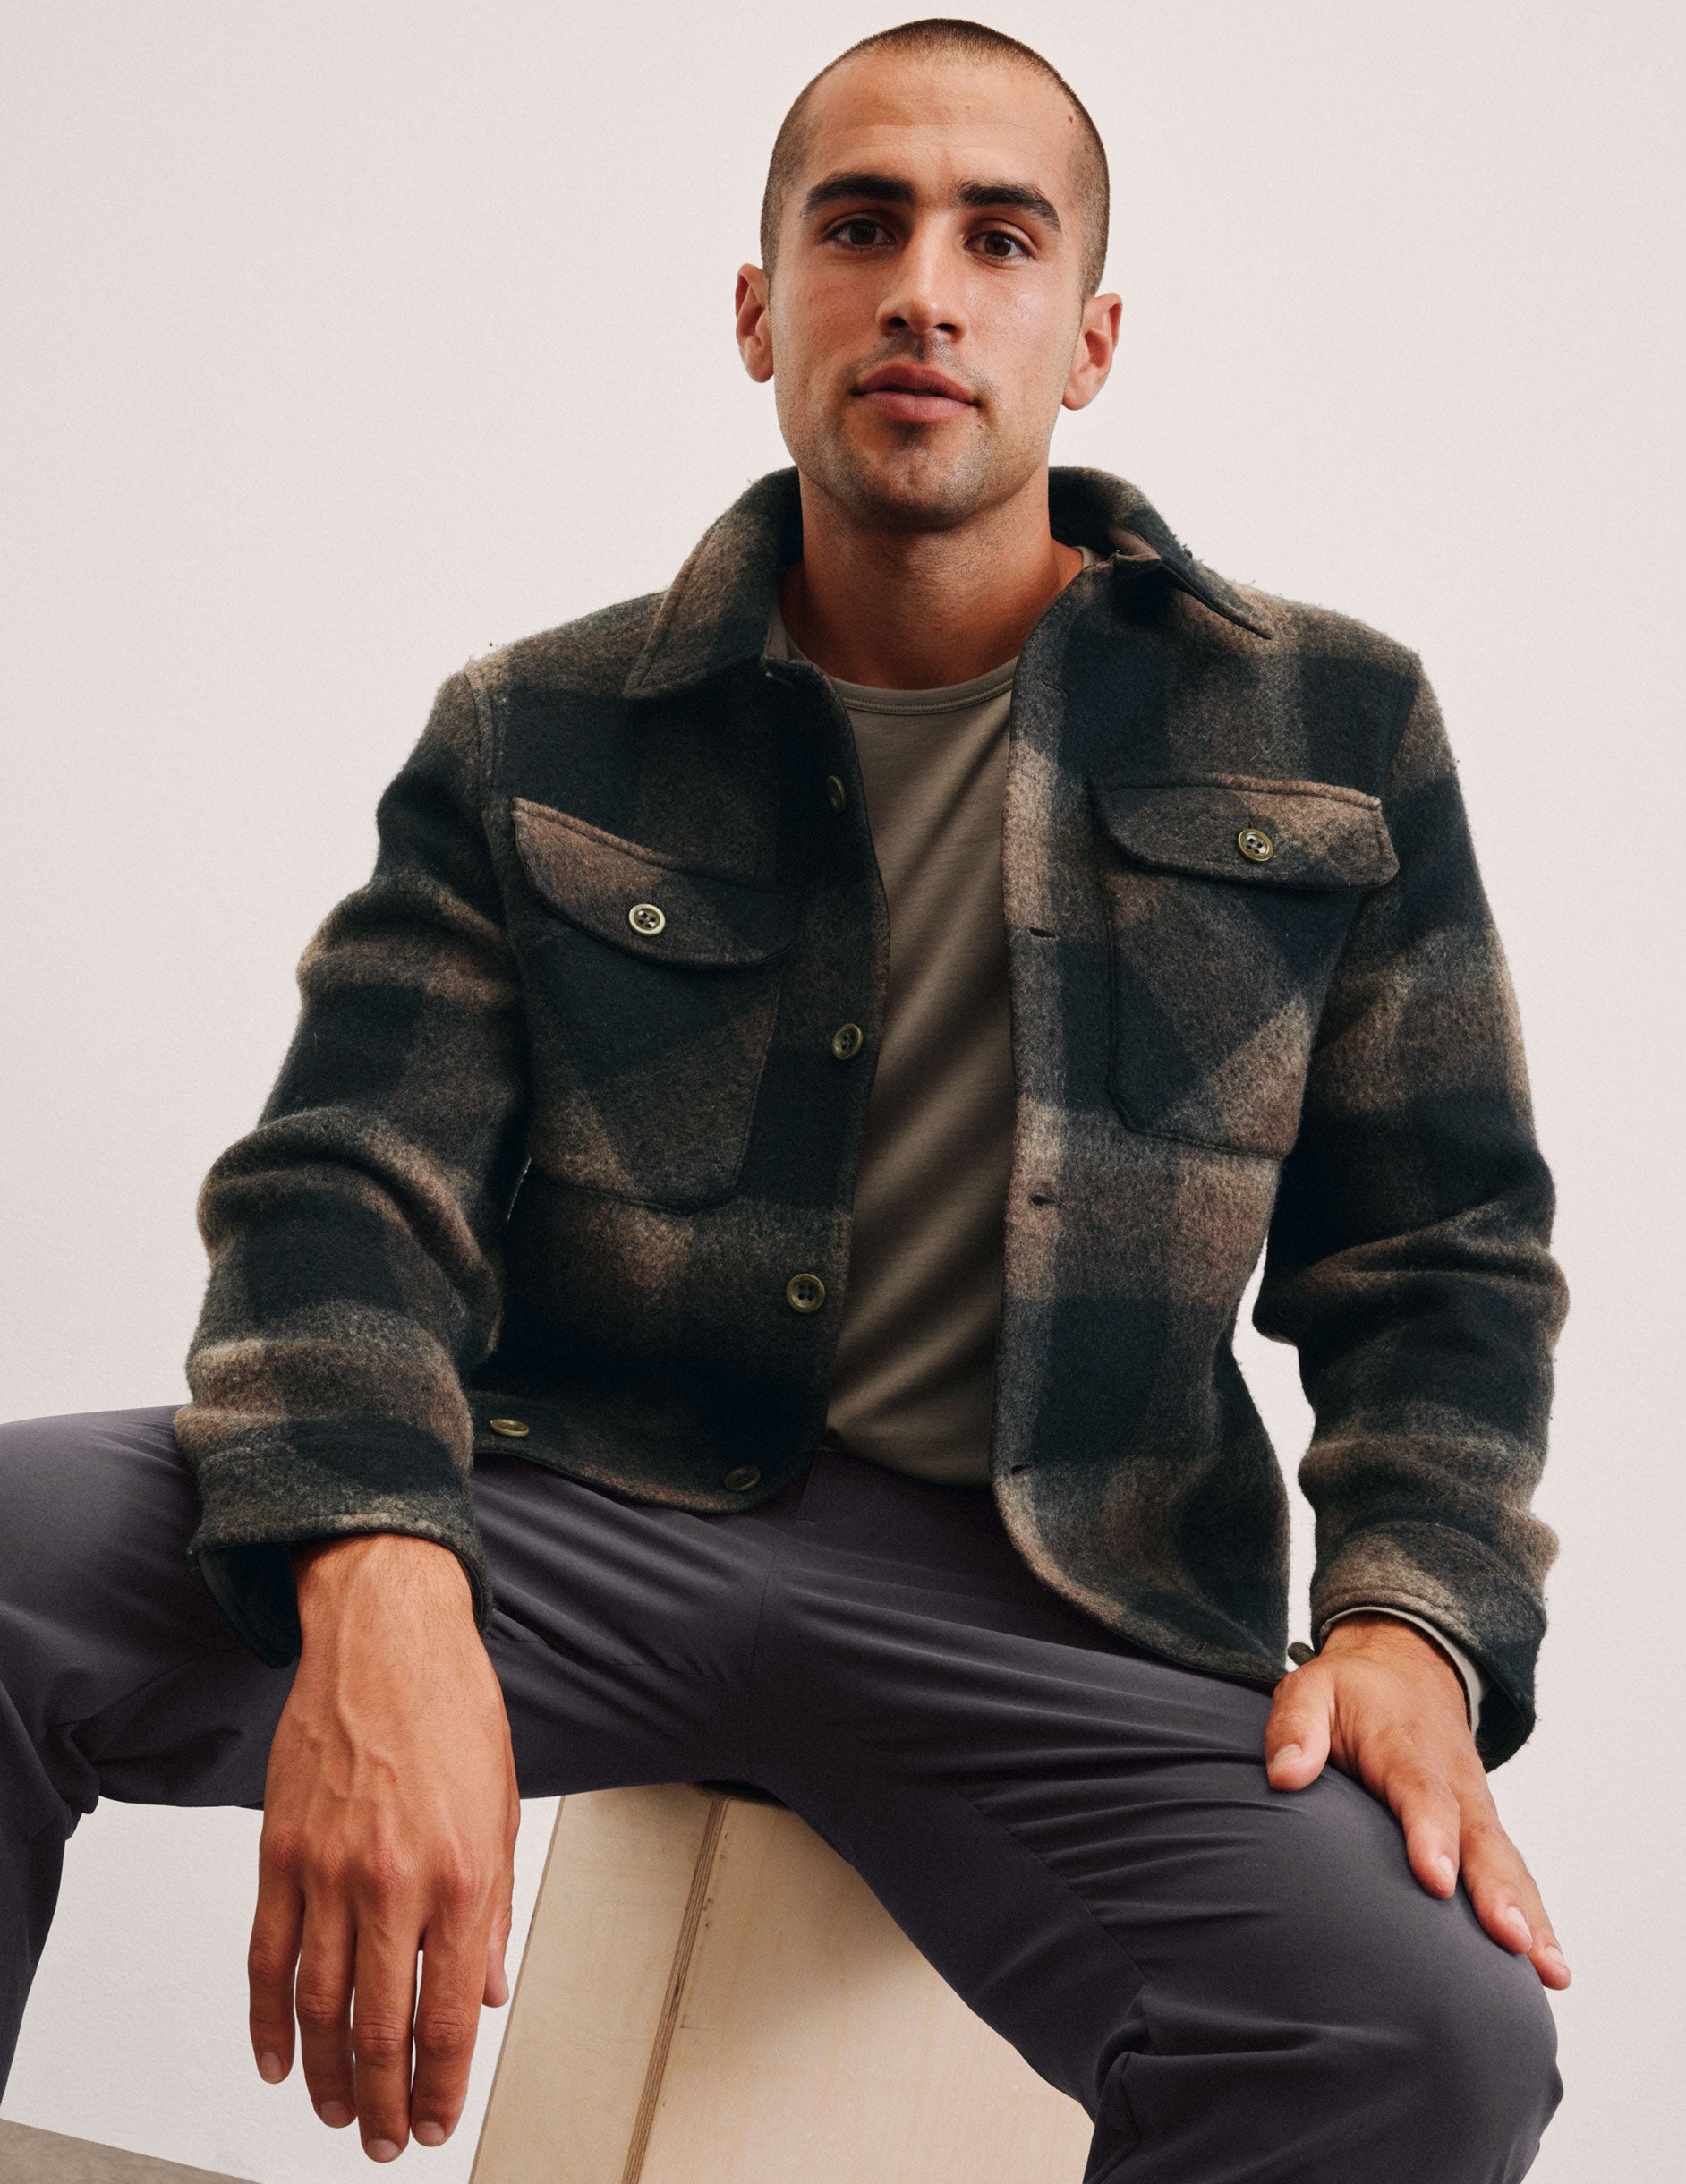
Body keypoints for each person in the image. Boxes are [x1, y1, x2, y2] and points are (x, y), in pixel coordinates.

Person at [0, 18, 1570, 2179]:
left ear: (1090, 337)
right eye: (860, 226)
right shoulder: (540, 727)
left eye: (997, 238)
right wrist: (382, 1565)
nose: (925, 288)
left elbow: (1444, 1252)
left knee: (1425, 2033)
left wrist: (1410, 1614)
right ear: (760, 309)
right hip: (582, 1509)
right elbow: (344, 1188)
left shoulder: (1332, 724)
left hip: (1066, 1603)